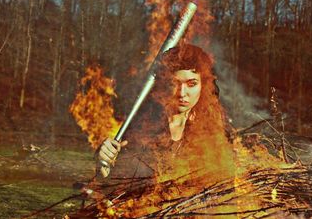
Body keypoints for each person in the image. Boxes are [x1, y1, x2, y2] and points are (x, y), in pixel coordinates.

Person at [97, 44, 235, 180]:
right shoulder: (142, 127)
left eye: (191, 84)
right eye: (174, 83)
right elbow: (113, 183)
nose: (182, 93)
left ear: (203, 86)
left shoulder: (213, 128)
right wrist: (104, 164)